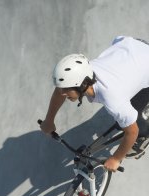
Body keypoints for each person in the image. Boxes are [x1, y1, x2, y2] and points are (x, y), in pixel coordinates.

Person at [40, 36, 149, 172]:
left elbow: (132, 132)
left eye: (66, 89)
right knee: (124, 115)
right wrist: (49, 120)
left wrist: (116, 158)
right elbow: (59, 91)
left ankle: (143, 139)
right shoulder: (84, 72)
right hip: (131, 47)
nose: (62, 92)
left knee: (134, 121)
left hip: (144, 59)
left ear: (81, 85)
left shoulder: (112, 98)